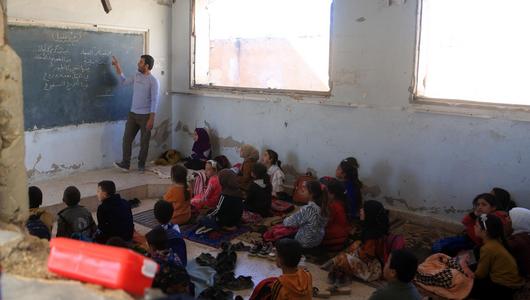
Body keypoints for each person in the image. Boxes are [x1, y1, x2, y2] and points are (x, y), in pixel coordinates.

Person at [111, 55, 159, 172]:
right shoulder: (137, 76)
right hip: (133, 114)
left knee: (144, 142)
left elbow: (154, 100)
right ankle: (125, 164)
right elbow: (124, 81)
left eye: (141, 62)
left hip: (145, 116)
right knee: (127, 139)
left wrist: (151, 119)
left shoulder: (153, 81)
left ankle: (141, 165)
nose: (138, 63)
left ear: (147, 66)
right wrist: (118, 66)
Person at [323, 200, 389, 283]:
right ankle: (334, 267)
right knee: (354, 245)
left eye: (364, 209)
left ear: (370, 213)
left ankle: (338, 275)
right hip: (367, 262)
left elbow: (367, 256)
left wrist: (353, 254)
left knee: (343, 258)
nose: (361, 210)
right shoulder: (370, 228)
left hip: (371, 269)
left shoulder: (373, 235)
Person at [469, 213, 525, 299]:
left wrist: (464, 267)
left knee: (467, 284)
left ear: (485, 231)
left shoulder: (488, 248)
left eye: (476, 225)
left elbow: (480, 275)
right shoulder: (497, 241)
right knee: (472, 267)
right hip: (512, 281)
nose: (474, 227)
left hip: (504, 286)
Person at [282, 180, 329, 249]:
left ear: (311, 194)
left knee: (282, 236)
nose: (301, 191)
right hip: (317, 241)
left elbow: (288, 222)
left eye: (304, 191)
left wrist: (284, 219)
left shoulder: (308, 209)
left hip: (303, 243)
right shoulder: (324, 207)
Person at [196, 169, 244, 234]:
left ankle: (223, 227)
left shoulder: (225, 195)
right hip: (235, 221)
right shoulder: (238, 191)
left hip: (225, 222)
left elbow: (218, 210)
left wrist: (207, 214)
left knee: (200, 218)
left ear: (223, 181)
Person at [154, 199, 187, 266]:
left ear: (155, 216)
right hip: (181, 264)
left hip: (167, 268)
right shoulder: (176, 228)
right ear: (172, 214)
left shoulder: (154, 233)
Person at [321, 178, 351, 251]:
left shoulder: (333, 206)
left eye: (326, 192)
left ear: (332, 194)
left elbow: (325, 224)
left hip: (334, 241)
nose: (324, 194)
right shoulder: (341, 203)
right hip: (343, 237)